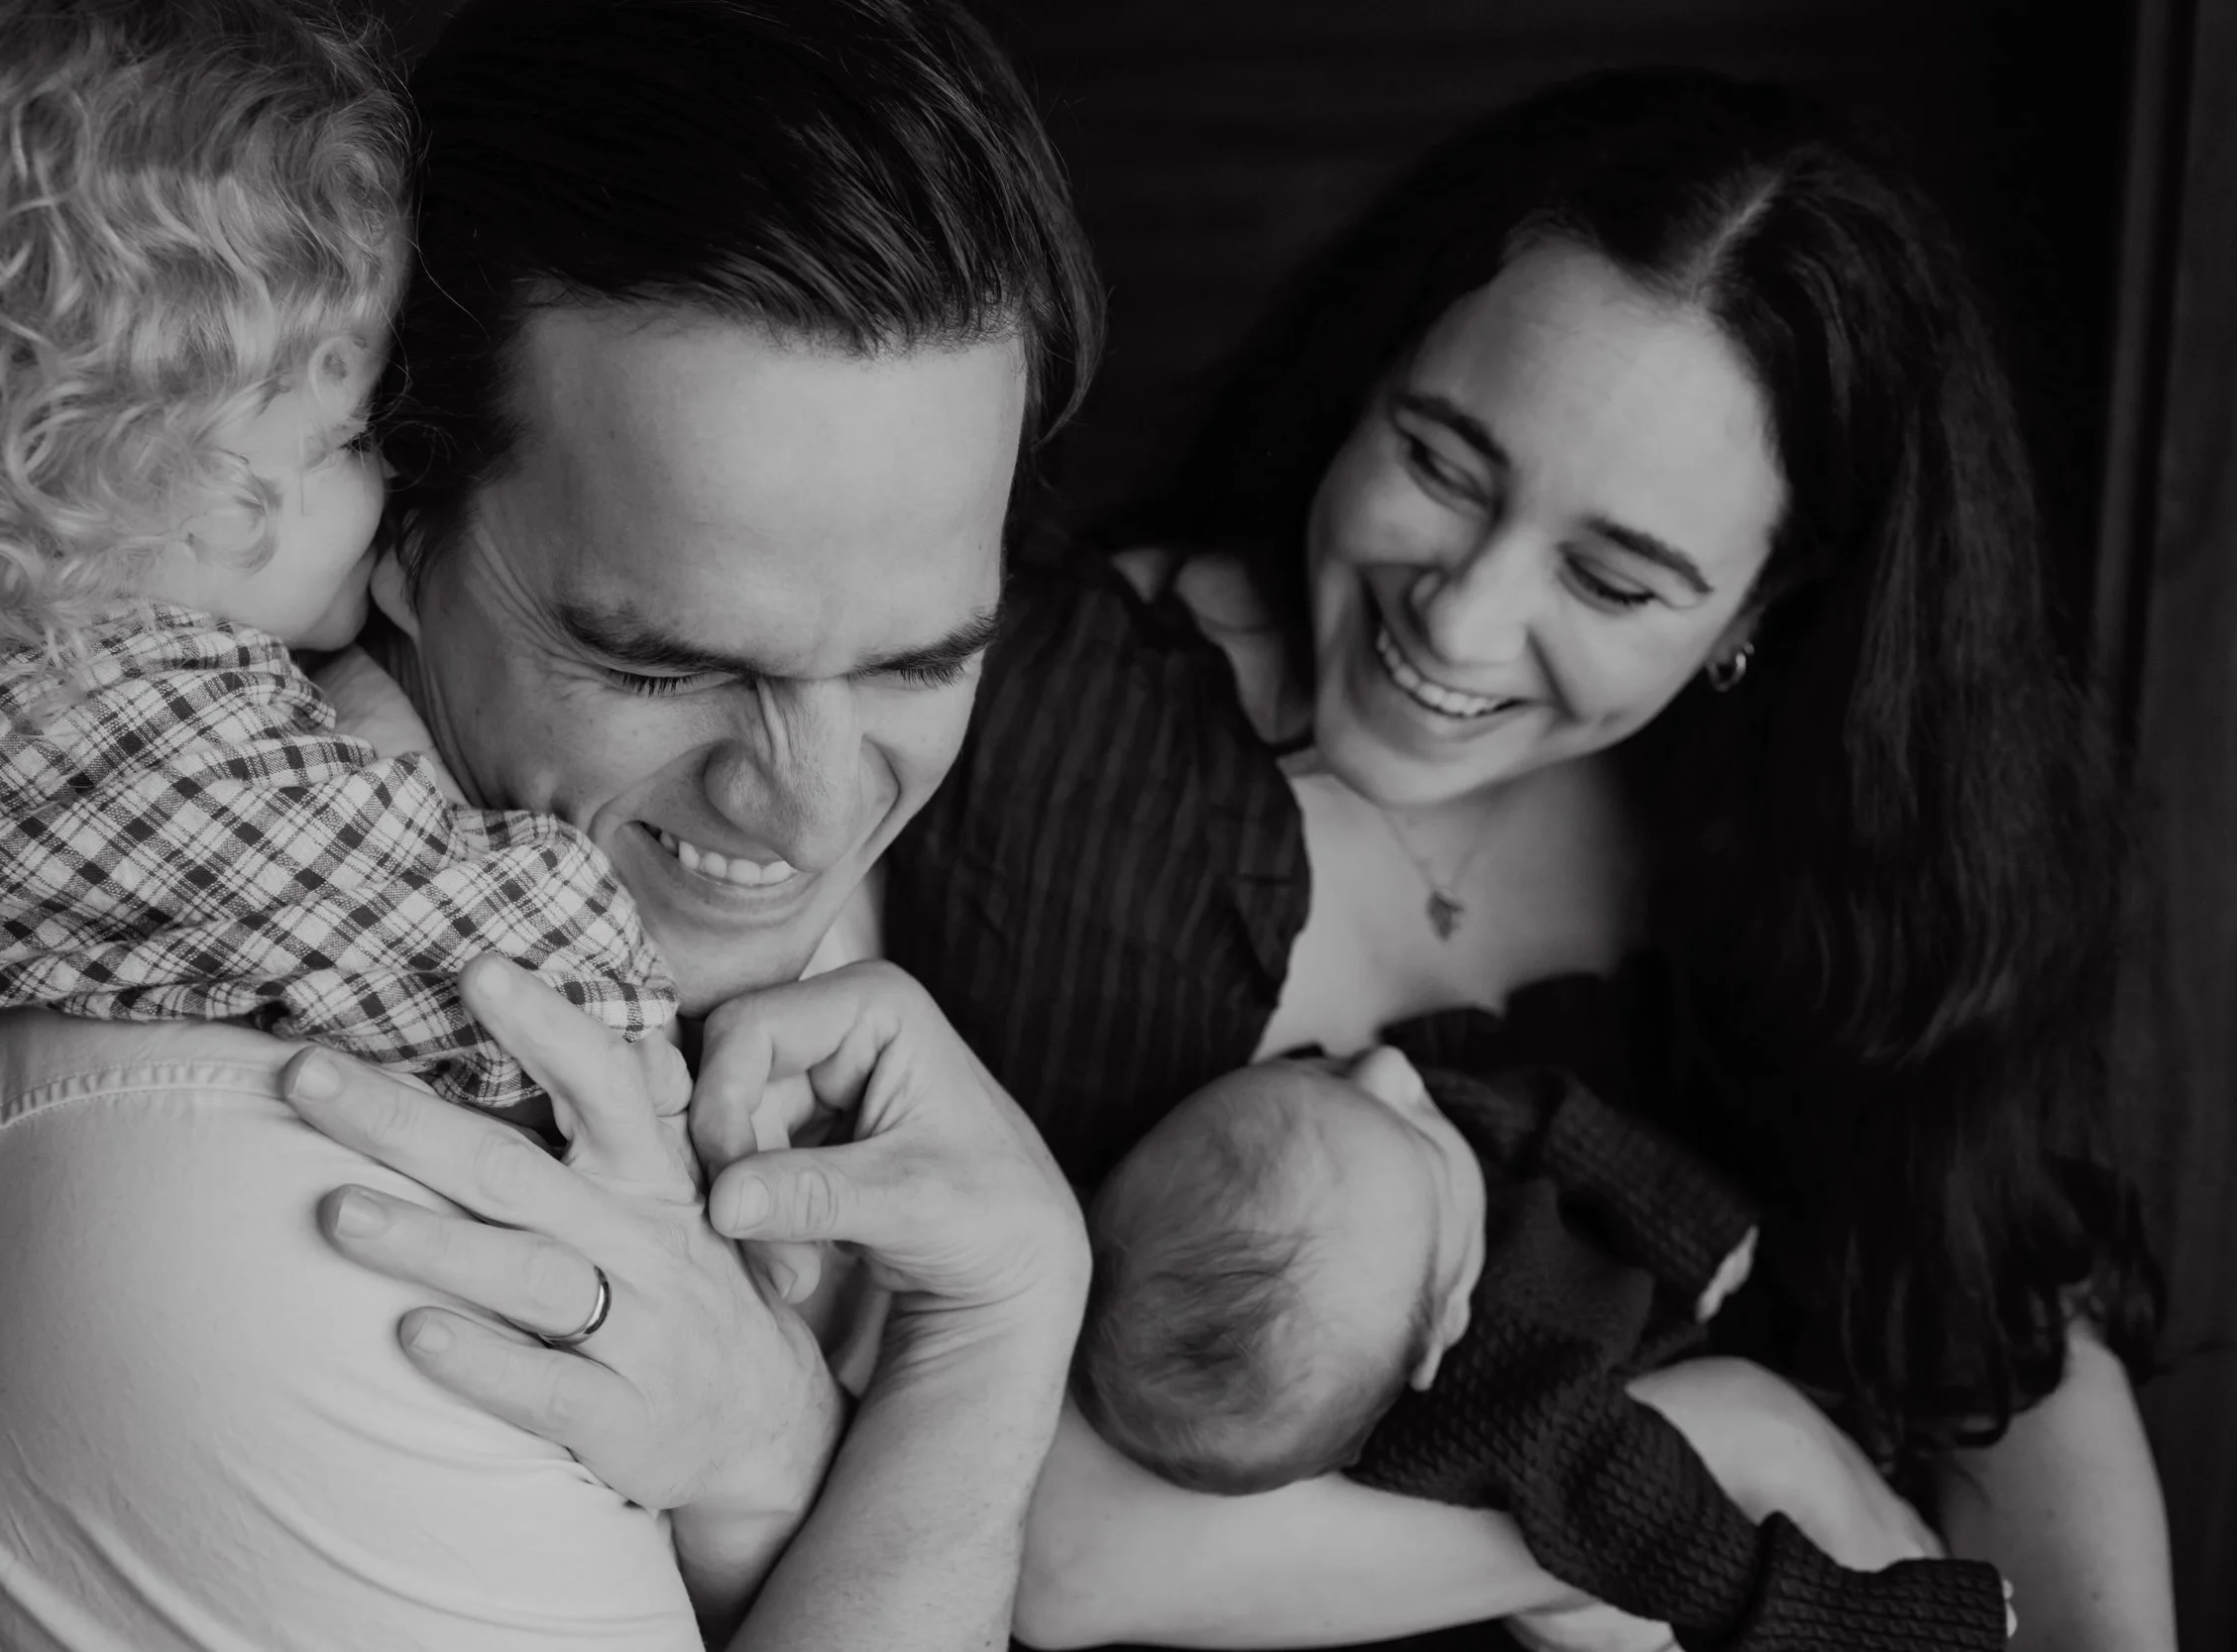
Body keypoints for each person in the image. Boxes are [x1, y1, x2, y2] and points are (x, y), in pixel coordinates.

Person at [0, 0, 1103, 1645]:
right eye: (660, 660)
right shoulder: (270, 1253)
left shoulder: (661, 851)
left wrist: (785, 1445)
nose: (816, 810)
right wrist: (980, 1360)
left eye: (917, 658)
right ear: (398, 501)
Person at [873, 67, 2174, 1652]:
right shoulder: (1071, 752)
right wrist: (1698, 1467)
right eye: (1441, 463)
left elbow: (1997, 1312)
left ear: (1761, 614)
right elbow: (1058, 1545)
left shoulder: (1831, 847)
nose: (1464, 618)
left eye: (1615, 580)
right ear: (1380, 370)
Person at [0, 0, 673, 1466]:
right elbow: (555, 988)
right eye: (349, 436)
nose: (390, 497)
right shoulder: (87, 720)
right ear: (102, 471)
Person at [1078, 1047, 2010, 1649]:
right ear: (1445, 1323)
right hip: (1647, 1595)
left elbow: (1524, 1113)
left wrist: (1691, 1224)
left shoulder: (1370, 1192)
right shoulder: (1519, 1399)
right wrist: (1853, 1614)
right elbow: (1676, 1540)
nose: (1390, 1070)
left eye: (1319, 1079)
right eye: (1420, 1131)